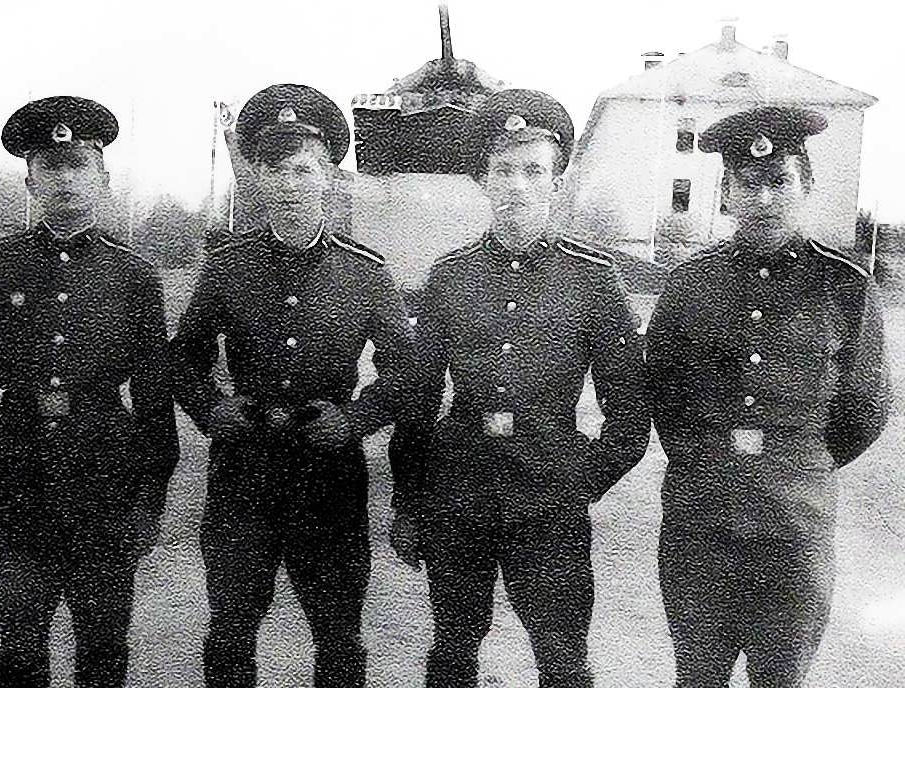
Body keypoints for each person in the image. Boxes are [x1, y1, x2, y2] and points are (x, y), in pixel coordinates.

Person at [389, 89, 650, 687]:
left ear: (557, 181)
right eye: (503, 170)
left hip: (550, 500)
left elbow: (630, 411)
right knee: (452, 650)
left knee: (562, 660)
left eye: (533, 171)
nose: (518, 186)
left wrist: (580, 481)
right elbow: (417, 401)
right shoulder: (449, 276)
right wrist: (409, 502)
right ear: (483, 180)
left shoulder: (592, 279)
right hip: (459, 494)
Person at [169, 83, 416, 687]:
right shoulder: (228, 266)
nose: (288, 185)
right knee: (230, 630)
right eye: (274, 170)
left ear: (329, 176)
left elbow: (407, 373)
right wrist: (212, 409)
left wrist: (354, 421)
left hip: (328, 476)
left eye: (303, 169)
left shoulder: (365, 272)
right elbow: (181, 357)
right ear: (256, 178)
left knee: (338, 636)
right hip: (243, 474)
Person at [645, 105, 891, 687]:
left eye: (779, 182)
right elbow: (664, 394)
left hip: (794, 525)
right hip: (701, 520)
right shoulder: (690, 283)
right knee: (697, 681)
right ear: (727, 195)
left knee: (779, 688)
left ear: (807, 186)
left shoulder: (845, 285)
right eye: (747, 185)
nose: (763, 199)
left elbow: (864, 410)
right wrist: (708, 460)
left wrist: (794, 463)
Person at [0, 95, 179, 687]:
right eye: (50, 167)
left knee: (104, 643)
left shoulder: (134, 275)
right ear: (30, 181)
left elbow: (154, 400)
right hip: (15, 478)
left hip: (104, 480)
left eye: (78, 166)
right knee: (20, 642)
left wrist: (149, 500)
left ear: (103, 179)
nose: (65, 180)